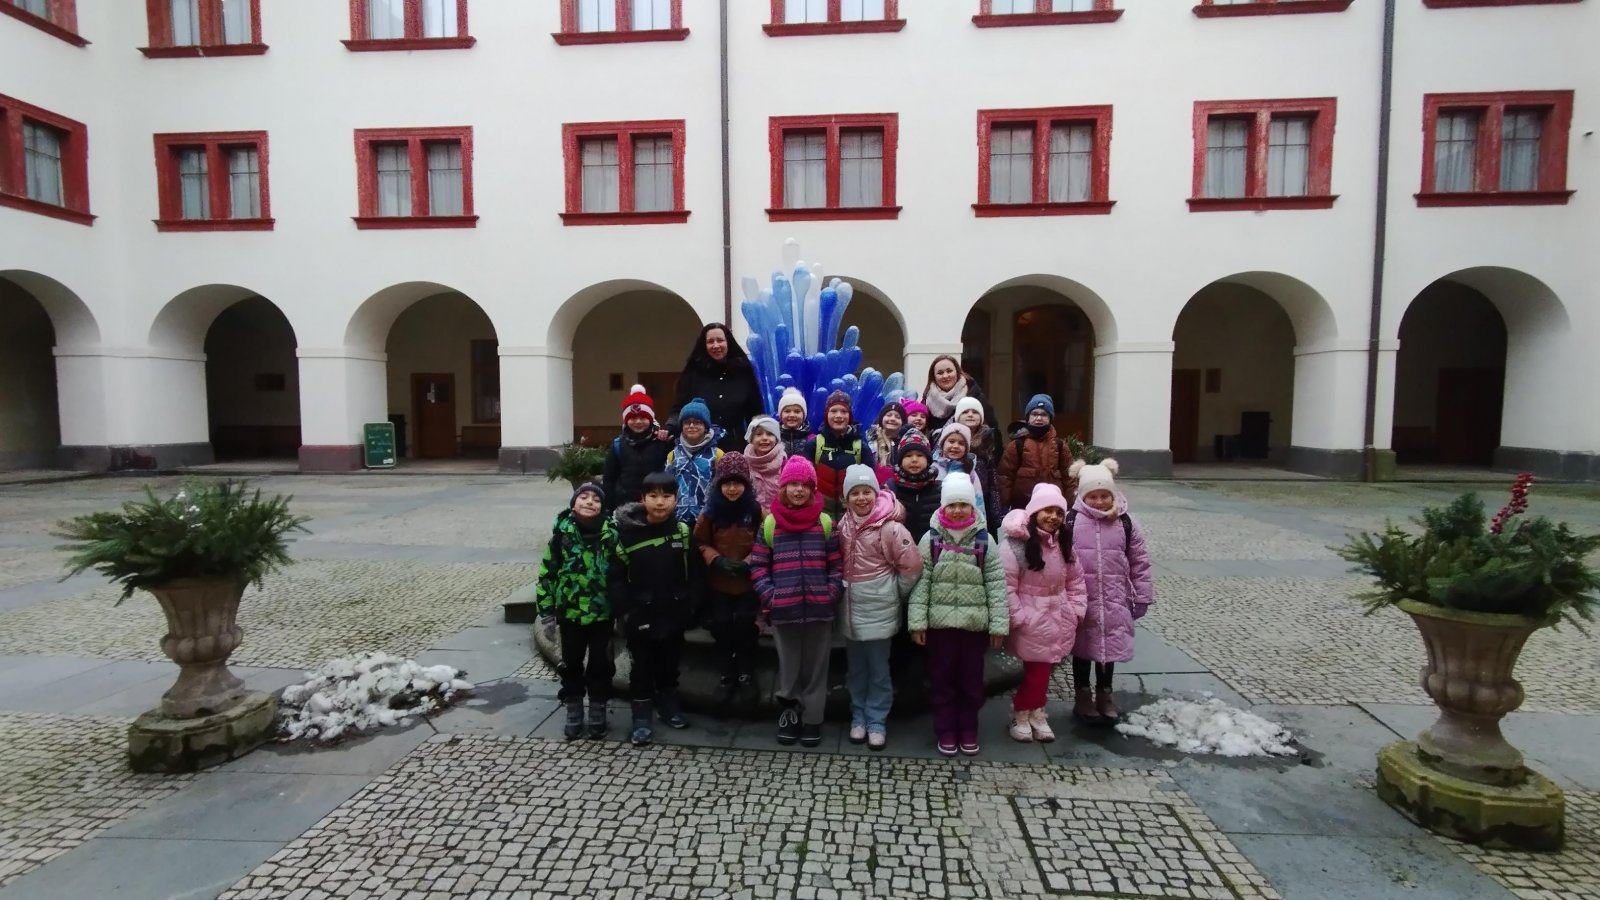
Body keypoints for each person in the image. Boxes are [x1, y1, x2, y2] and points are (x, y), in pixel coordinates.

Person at [908, 474, 1007, 757]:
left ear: (972, 506)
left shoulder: (985, 540)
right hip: (940, 627)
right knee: (942, 680)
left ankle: (968, 728)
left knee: (971, 681)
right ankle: (946, 729)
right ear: (943, 506)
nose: (958, 510)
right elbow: (921, 583)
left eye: (963, 504)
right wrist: (917, 622)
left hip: (973, 628)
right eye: (952, 504)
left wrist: (998, 626)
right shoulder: (931, 539)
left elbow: (996, 584)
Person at [750, 457, 843, 748]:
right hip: (784, 609)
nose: (799, 490)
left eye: (805, 485)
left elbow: (836, 566)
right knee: (789, 666)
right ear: (784, 488)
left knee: (816, 668)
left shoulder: (825, 523)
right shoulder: (770, 524)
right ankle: (789, 714)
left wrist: (830, 593)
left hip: (819, 610)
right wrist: (771, 596)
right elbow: (758, 566)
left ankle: (813, 718)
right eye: (793, 484)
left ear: (813, 489)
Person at [608, 471, 703, 745]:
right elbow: (616, 577)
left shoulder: (682, 532)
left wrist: (691, 604)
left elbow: (695, 572)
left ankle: (668, 704)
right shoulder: (627, 535)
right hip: (641, 613)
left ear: (676, 499)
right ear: (643, 499)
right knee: (641, 665)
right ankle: (641, 714)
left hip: (674, 610)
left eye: (666, 496)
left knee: (670, 662)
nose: (660, 502)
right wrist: (626, 609)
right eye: (653, 496)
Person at [837, 464, 922, 751]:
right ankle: (858, 715)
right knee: (856, 669)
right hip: (851, 612)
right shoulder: (843, 526)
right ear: (846, 498)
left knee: (878, 669)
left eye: (866, 492)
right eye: (855, 493)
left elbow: (912, 566)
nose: (861, 498)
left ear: (876, 493)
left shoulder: (890, 528)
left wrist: (893, 592)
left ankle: (876, 719)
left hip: (879, 610)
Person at [1066, 459, 1153, 726]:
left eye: (1105, 495)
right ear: (1082, 496)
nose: (1099, 501)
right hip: (1083, 597)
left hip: (1115, 596)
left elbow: (1139, 561)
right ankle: (1082, 695)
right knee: (1082, 648)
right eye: (1093, 496)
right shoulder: (1071, 521)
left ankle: (1105, 694)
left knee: (1109, 647)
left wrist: (1142, 595)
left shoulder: (1125, 522)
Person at [1000, 483, 1087, 743]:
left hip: (1059, 615)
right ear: (1035, 512)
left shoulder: (1064, 544)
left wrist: (1076, 609)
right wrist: (1018, 616)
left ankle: (1036, 712)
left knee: (1043, 669)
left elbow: (1076, 580)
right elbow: (1006, 585)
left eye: (1059, 512)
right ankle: (1022, 711)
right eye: (1047, 510)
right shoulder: (1016, 544)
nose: (1053, 517)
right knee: (1038, 671)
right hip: (1031, 618)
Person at [536, 482, 617, 740]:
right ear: (573, 504)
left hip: (602, 613)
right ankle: (573, 705)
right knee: (571, 662)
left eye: (596, 499)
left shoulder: (612, 535)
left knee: (601, 663)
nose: (590, 501)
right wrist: (547, 612)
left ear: (603, 507)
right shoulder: (561, 536)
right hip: (570, 613)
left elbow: (623, 572)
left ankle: (598, 706)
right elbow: (547, 575)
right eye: (584, 497)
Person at [693, 453, 762, 709]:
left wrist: (750, 561)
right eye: (727, 483)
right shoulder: (710, 513)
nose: (732, 489)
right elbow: (699, 541)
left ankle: (746, 673)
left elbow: (765, 541)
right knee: (721, 626)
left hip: (747, 583)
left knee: (745, 626)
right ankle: (726, 674)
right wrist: (715, 559)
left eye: (737, 483)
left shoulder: (755, 511)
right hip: (719, 582)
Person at [669, 322, 765, 454]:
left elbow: (755, 411)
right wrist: (670, 427)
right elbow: (679, 408)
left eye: (720, 340)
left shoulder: (743, 371)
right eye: (710, 341)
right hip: (699, 447)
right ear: (704, 345)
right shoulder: (693, 372)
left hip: (735, 446)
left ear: (728, 342)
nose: (715, 345)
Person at [802, 390, 875, 519]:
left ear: (850, 416)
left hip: (852, 516)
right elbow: (804, 481)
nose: (839, 416)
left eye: (844, 411)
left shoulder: (861, 447)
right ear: (826, 414)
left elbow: (871, 485)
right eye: (833, 411)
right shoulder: (813, 445)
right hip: (820, 515)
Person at [997, 394, 1076, 512]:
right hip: (1022, 507)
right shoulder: (1017, 445)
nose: (1038, 418)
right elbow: (1005, 477)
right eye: (1034, 414)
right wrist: (1004, 505)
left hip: (1052, 508)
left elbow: (1070, 478)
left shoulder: (1060, 446)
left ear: (1050, 418)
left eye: (1043, 414)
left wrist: (1071, 506)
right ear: (1028, 418)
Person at [602, 385, 672, 514]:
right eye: (633, 418)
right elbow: (609, 478)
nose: (638, 422)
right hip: (625, 506)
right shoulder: (618, 445)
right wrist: (608, 507)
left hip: (656, 505)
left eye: (643, 417)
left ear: (650, 419)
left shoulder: (661, 442)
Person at [666, 397, 723, 524]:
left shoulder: (717, 455)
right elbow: (667, 489)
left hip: (708, 521)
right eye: (687, 422)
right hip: (678, 520)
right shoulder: (673, 455)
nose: (691, 426)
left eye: (697, 422)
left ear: (706, 426)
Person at [935, 423, 1000, 534]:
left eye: (961, 443)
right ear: (942, 444)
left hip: (964, 524)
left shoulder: (970, 472)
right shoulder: (933, 468)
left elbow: (978, 502)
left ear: (966, 449)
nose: (955, 446)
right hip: (938, 524)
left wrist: (980, 529)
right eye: (951, 441)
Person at [887, 430, 942, 547]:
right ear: (900, 460)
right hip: (899, 550)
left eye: (920, 455)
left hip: (930, 550)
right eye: (908, 455)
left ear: (928, 460)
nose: (914, 460)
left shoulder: (939, 490)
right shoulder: (890, 488)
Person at [921, 355, 996, 435]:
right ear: (934, 377)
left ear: (957, 372)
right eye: (940, 373)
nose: (945, 376)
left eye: (949, 371)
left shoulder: (974, 395)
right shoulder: (927, 401)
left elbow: (992, 429)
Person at [743, 415, 787, 509]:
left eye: (770, 434)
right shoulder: (744, 463)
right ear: (751, 439)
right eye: (759, 434)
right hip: (753, 512)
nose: (764, 438)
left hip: (779, 512)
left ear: (776, 439)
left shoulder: (783, 462)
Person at [947, 396, 999, 474]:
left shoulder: (987, 437)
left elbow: (991, 468)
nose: (970, 415)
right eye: (965, 412)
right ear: (957, 417)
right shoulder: (947, 435)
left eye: (975, 412)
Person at [865, 401, 907, 484]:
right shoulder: (870, 440)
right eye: (889, 415)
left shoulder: (905, 443)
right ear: (881, 419)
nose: (892, 419)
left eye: (897, 417)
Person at [776, 388, 812, 458]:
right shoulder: (774, 438)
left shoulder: (812, 439)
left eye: (797, 411)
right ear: (780, 414)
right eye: (787, 411)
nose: (792, 415)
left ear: (803, 415)